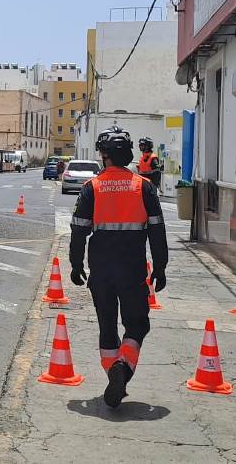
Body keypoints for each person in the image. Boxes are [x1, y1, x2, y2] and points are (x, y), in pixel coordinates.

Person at [69, 124, 168, 408]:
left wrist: (76, 265)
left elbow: (78, 230)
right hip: (133, 269)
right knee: (137, 324)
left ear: (105, 156)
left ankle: (114, 371)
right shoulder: (144, 187)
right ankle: (123, 369)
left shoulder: (92, 188)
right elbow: (157, 232)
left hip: (100, 269)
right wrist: (160, 267)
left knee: (107, 326)